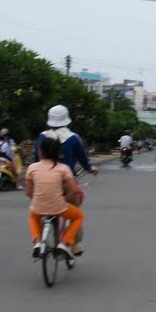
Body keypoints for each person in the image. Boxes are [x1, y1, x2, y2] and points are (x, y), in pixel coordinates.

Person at [34, 105, 98, 255]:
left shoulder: (42, 137)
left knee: (39, 210)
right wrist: (90, 168)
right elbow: (83, 159)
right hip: (66, 183)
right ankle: (73, 245)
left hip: (43, 181)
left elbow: (36, 158)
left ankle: (40, 237)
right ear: (67, 120)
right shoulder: (73, 138)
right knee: (75, 212)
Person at [25, 136, 84, 260]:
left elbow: (28, 192)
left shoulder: (32, 168)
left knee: (33, 216)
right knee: (78, 216)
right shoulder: (63, 168)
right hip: (59, 206)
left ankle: (37, 241)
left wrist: (37, 200)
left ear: (40, 151)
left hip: (39, 206)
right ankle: (66, 243)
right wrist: (63, 200)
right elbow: (73, 190)